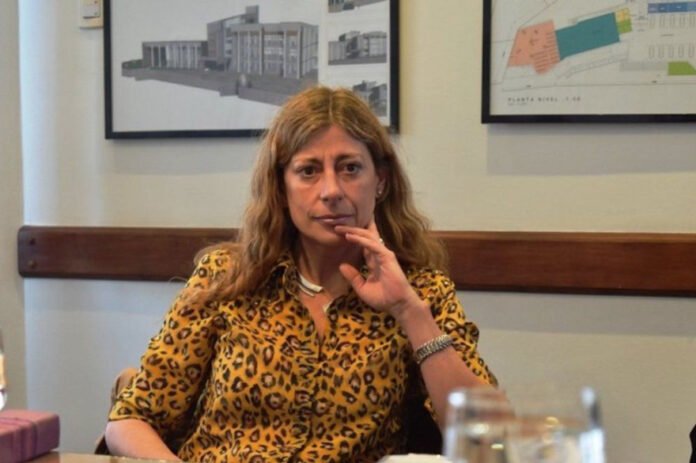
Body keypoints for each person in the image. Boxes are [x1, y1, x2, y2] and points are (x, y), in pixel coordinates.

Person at [104, 86, 497, 463]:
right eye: (308, 171)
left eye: (350, 168)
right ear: (281, 186)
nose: (331, 191)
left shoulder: (420, 290)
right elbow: (129, 420)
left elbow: (489, 440)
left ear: (380, 180)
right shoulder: (225, 277)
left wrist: (409, 312)